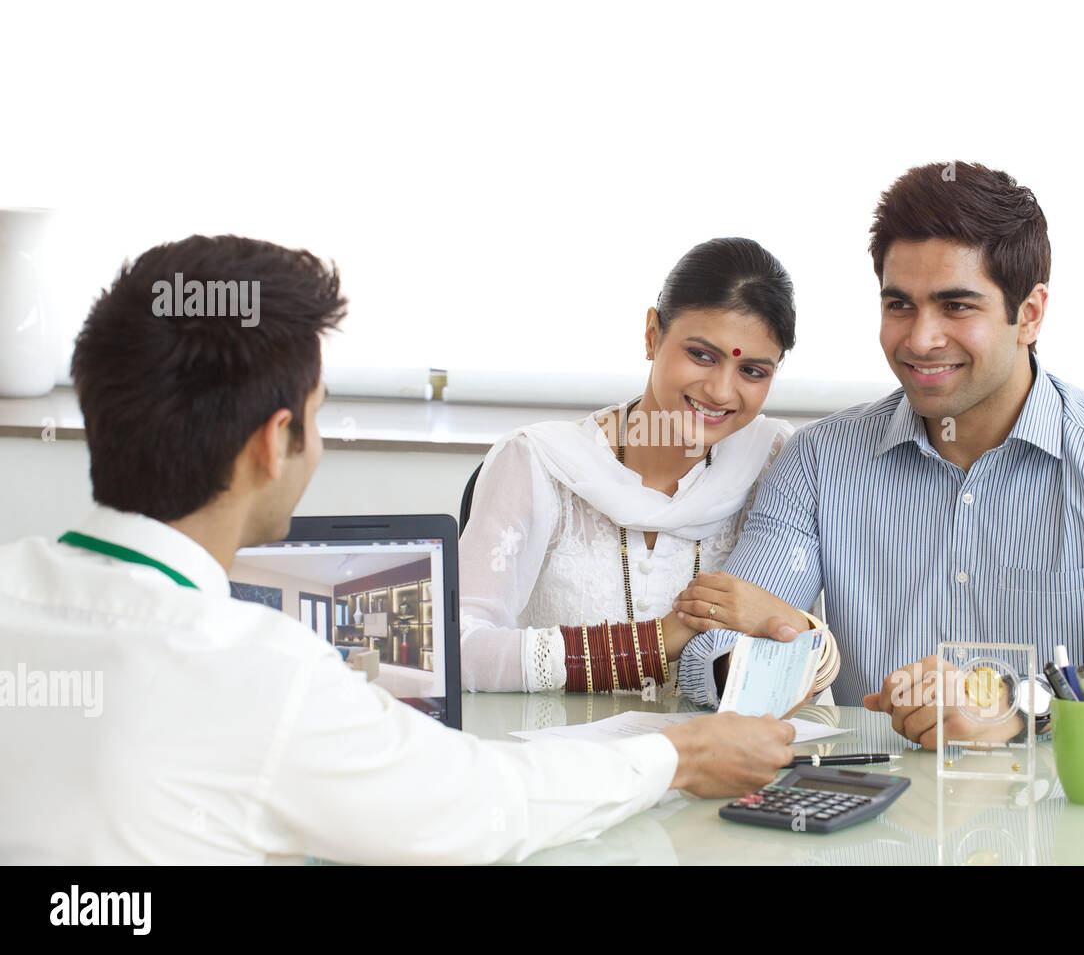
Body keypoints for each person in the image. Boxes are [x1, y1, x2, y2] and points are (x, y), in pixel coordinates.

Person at [0, 235, 797, 864]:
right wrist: (676, 755)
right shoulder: (266, 673)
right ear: (275, 445)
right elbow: (478, 807)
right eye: (317, 413)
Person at [675, 162, 1084, 748]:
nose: (920, 339)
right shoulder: (820, 461)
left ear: (1030, 314)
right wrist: (764, 661)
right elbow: (712, 647)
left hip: (1053, 821)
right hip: (868, 819)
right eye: (900, 306)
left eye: (957, 307)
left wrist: (1020, 704)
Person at [459, 237, 838, 694]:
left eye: (752, 371)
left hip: (717, 757)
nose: (720, 391)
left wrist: (797, 625)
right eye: (701, 355)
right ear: (652, 334)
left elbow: (782, 657)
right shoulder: (539, 464)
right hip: (560, 757)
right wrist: (658, 642)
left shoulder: (777, 460)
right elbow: (456, 651)